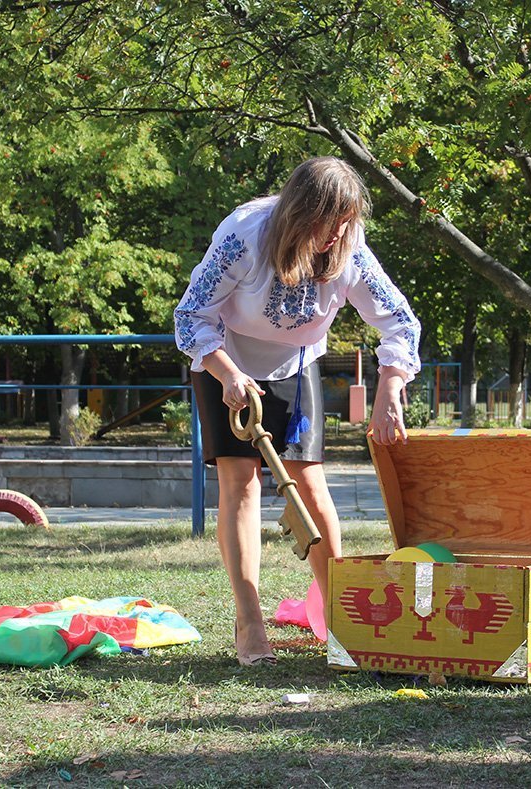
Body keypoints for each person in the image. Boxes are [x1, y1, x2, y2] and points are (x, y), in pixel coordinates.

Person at [173, 157, 421, 667]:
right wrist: (228, 374)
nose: (337, 235)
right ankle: (250, 620)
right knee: (241, 480)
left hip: (297, 360)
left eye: (345, 223)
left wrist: (389, 386)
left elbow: (399, 322)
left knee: (309, 481)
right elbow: (191, 315)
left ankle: (342, 614)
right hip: (225, 356)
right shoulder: (245, 236)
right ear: (299, 214)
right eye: (327, 224)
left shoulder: (350, 249)